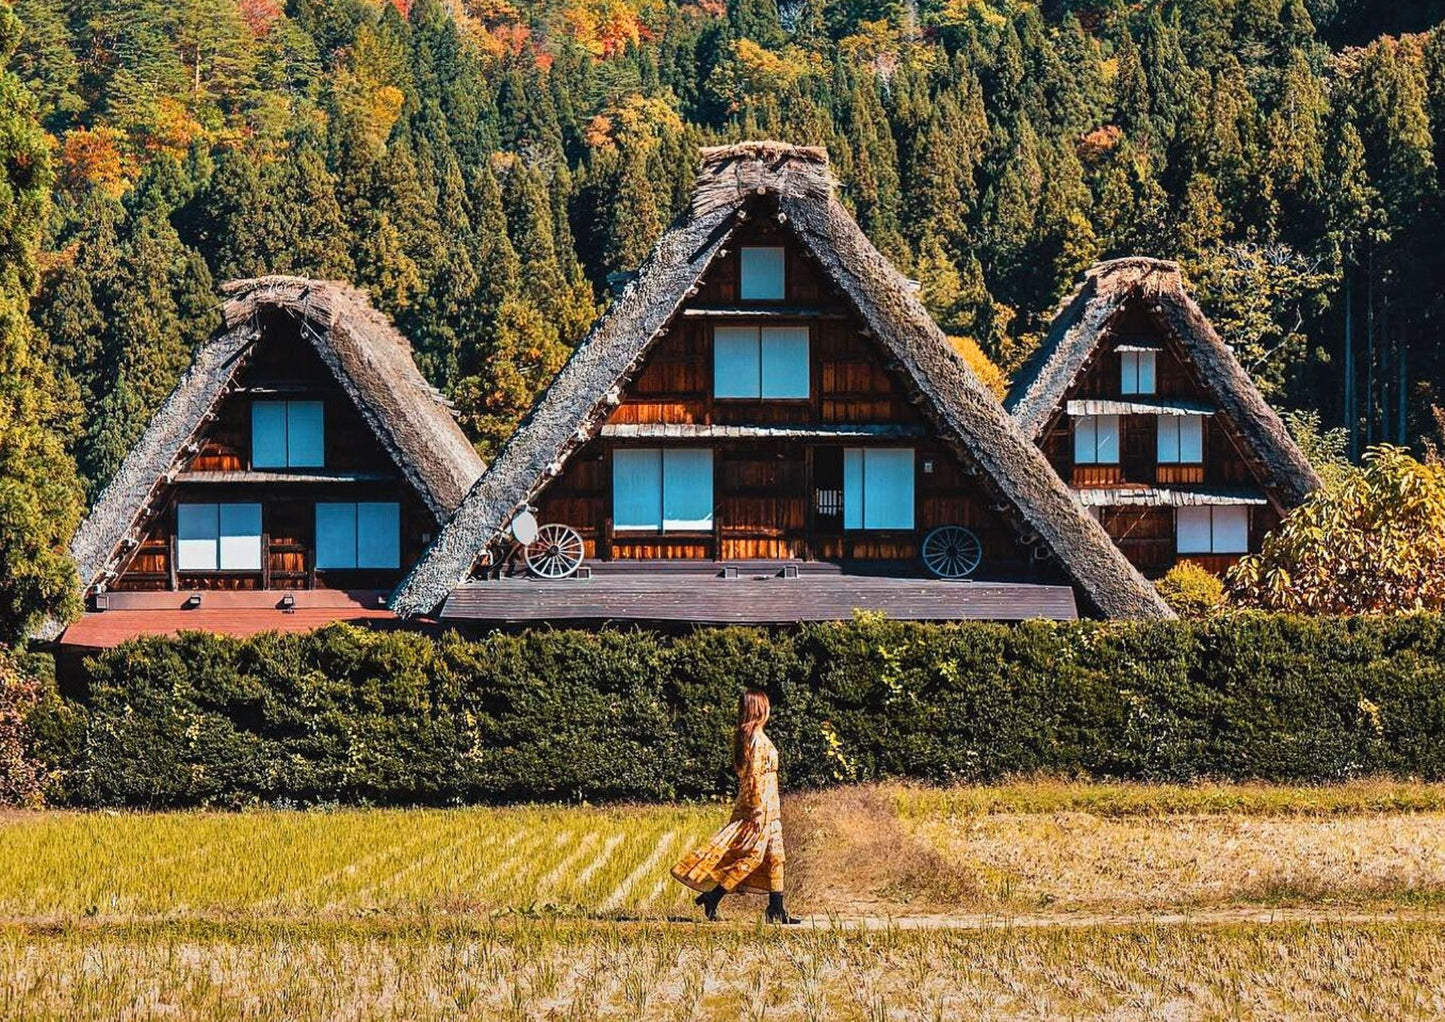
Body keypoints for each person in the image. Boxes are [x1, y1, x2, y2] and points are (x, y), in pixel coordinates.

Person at [671, 688, 801, 924]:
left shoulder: (752, 737)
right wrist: (757, 807)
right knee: (752, 856)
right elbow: (753, 776)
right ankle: (714, 895)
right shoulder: (756, 741)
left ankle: (776, 908)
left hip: (769, 808)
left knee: (776, 857)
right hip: (760, 808)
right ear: (760, 709)